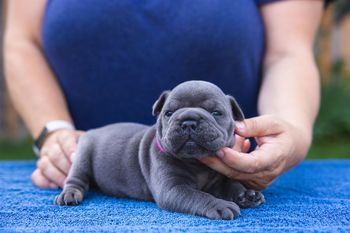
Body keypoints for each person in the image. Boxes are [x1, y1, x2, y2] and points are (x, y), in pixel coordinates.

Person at [4, 0, 328, 190]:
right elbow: (22, 41)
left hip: (225, 173)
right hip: (89, 169)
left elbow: (287, 53)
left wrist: (291, 131)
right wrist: (54, 131)